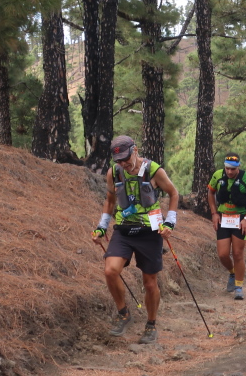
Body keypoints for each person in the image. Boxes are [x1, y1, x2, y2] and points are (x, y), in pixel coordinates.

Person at [91, 135, 179, 344]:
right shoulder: (114, 173)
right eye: (118, 160)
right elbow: (110, 200)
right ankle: (123, 313)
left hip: (150, 231)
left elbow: (173, 193)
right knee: (110, 270)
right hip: (124, 229)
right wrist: (102, 226)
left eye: (126, 158)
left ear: (135, 150)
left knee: (149, 282)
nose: (123, 163)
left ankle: (151, 325)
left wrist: (170, 223)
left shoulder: (153, 170)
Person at [207, 152, 246, 300]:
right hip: (223, 218)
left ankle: (239, 286)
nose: (230, 172)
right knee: (223, 254)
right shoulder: (218, 176)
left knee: (237, 254)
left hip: (240, 218)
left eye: (233, 169)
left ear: (239, 167)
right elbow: (210, 193)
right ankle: (232, 272)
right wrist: (214, 213)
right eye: (227, 168)